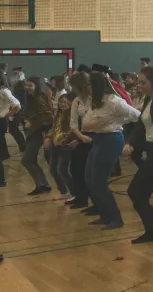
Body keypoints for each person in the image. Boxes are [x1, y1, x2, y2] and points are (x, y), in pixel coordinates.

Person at [81, 72, 140, 230]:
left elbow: (136, 116)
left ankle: (115, 219)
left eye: (89, 85)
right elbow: (85, 124)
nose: (87, 88)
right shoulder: (96, 102)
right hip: (98, 140)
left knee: (99, 182)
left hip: (111, 140)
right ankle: (104, 215)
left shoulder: (114, 102)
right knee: (89, 179)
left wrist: (117, 121)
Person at [126, 67, 153, 244]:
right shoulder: (149, 100)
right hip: (152, 151)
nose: (140, 86)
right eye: (139, 82)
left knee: (137, 193)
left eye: (143, 82)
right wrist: (130, 142)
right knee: (137, 194)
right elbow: (140, 126)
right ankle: (152, 230)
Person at [19, 76, 54, 195]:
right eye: (26, 85)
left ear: (36, 86)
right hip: (32, 133)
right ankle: (42, 185)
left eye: (30, 85)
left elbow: (47, 118)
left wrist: (32, 123)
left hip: (38, 134)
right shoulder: (30, 98)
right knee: (30, 160)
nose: (27, 88)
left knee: (27, 160)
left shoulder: (39, 99)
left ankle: (43, 185)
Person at [68, 72, 93, 209]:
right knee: (76, 168)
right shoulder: (76, 101)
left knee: (90, 172)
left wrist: (83, 137)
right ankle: (81, 198)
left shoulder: (93, 99)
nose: (71, 89)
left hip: (96, 135)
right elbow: (73, 124)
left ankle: (95, 201)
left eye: (73, 86)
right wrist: (80, 137)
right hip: (83, 136)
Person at [48, 94, 77, 202]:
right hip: (55, 144)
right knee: (53, 169)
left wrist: (62, 138)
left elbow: (72, 130)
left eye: (65, 102)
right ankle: (63, 192)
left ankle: (74, 193)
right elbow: (55, 128)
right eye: (61, 102)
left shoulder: (72, 115)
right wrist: (49, 137)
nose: (63, 104)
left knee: (63, 169)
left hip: (65, 145)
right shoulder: (58, 114)